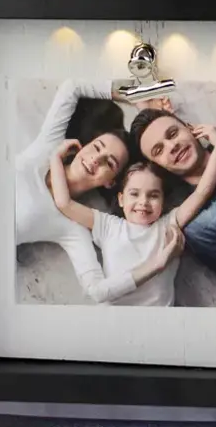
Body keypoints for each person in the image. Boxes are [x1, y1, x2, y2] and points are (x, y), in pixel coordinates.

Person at [48, 125, 216, 307]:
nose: (143, 202)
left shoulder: (167, 226)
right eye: (134, 194)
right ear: (121, 199)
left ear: (163, 201)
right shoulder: (107, 225)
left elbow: (202, 192)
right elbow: (64, 203)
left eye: (153, 195)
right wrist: (55, 158)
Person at [15, 79, 139, 304]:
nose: (96, 159)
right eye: (97, 147)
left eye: (109, 163)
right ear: (86, 144)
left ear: (110, 182)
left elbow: (97, 290)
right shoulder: (47, 147)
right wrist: (139, 96)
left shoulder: (72, 227)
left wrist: (157, 264)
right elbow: (72, 86)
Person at [130, 108, 216, 288]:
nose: (172, 146)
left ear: (189, 127)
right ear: (159, 167)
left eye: (173, 134)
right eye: (159, 150)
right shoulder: (199, 226)